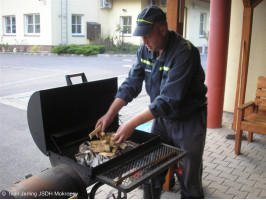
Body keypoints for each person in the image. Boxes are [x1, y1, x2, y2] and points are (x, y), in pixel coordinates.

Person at [96, 5, 207, 199]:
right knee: (151, 169)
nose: (144, 41)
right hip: (162, 119)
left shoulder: (184, 52)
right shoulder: (145, 50)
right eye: (141, 36)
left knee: (190, 177)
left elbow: (167, 101)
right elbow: (131, 84)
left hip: (188, 120)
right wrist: (110, 114)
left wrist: (131, 124)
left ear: (162, 29)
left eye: (147, 35)